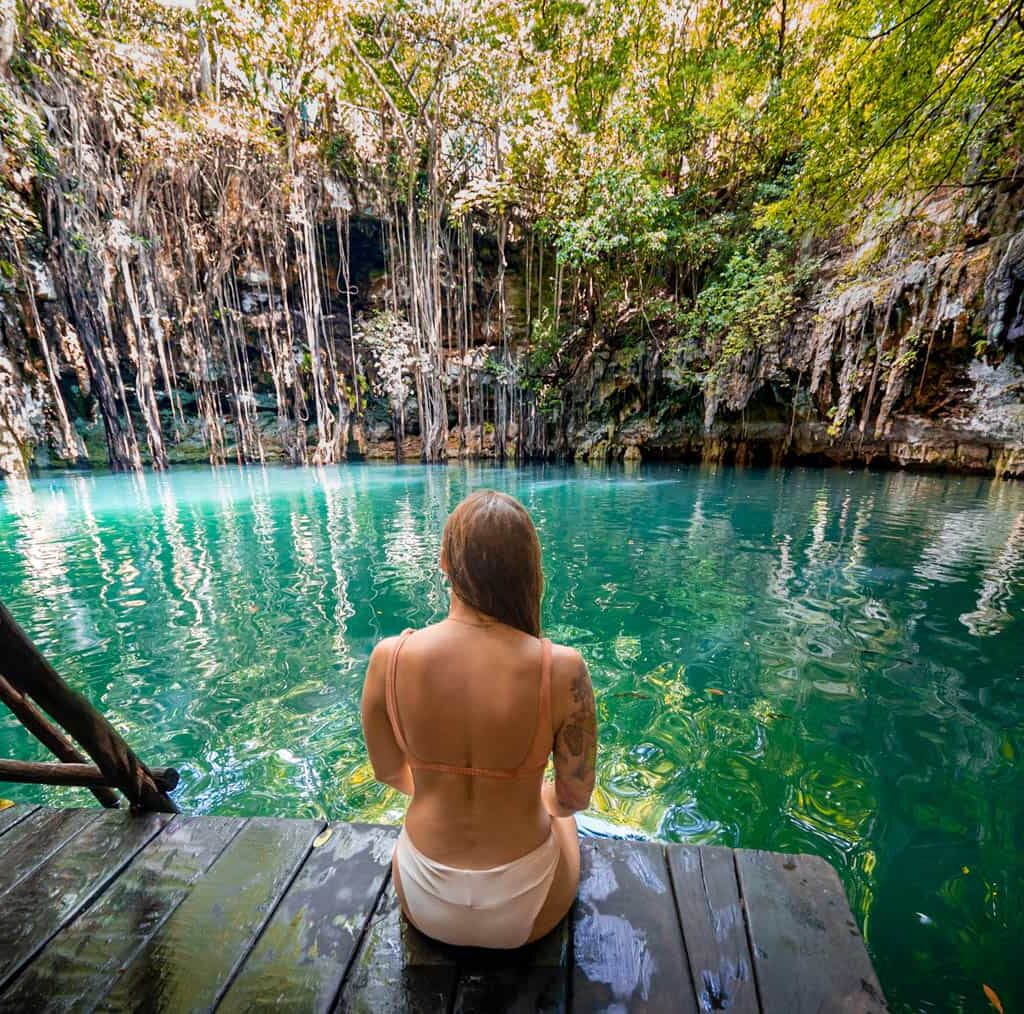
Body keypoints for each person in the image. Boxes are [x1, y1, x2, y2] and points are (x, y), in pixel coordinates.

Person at [361, 489, 598, 948]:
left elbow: (388, 771)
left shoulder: (389, 659)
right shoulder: (562, 668)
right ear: (530, 570)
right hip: (528, 907)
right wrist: (514, 796)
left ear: (443, 563)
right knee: (562, 820)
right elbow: (574, 797)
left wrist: (442, 788)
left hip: (423, 896)